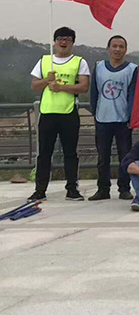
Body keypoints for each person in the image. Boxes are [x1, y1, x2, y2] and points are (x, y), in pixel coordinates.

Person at [28, 27, 91, 202]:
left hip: (68, 113)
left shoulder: (79, 62)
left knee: (70, 153)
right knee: (44, 154)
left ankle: (72, 189)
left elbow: (84, 87)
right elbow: (34, 86)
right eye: (60, 39)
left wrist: (61, 87)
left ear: (72, 43)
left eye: (68, 39)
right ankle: (40, 190)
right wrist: (46, 80)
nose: (64, 42)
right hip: (47, 113)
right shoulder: (44, 60)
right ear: (55, 42)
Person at [88, 35, 138, 201]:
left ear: (126, 50)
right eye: (114, 46)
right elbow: (94, 92)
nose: (117, 49)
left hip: (123, 120)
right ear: (108, 49)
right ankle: (103, 189)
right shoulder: (99, 67)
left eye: (121, 46)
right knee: (103, 157)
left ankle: (124, 188)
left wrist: (131, 116)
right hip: (102, 119)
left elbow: (133, 94)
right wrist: (95, 114)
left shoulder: (132, 69)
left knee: (125, 156)